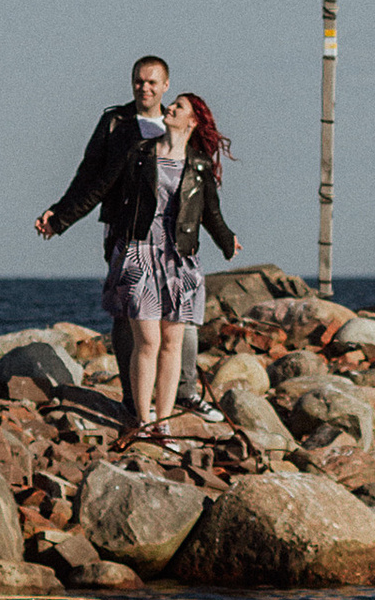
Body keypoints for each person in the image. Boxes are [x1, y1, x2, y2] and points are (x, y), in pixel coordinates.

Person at [35, 57, 232, 427]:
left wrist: (224, 236)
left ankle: (184, 394)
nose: (145, 88)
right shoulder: (116, 123)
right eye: (139, 81)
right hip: (128, 233)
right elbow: (91, 177)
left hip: (175, 246)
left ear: (166, 84)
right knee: (131, 321)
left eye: (153, 83)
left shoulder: (179, 128)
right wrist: (60, 215)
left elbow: (203, 199)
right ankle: (134, 400)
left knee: (179, 326)